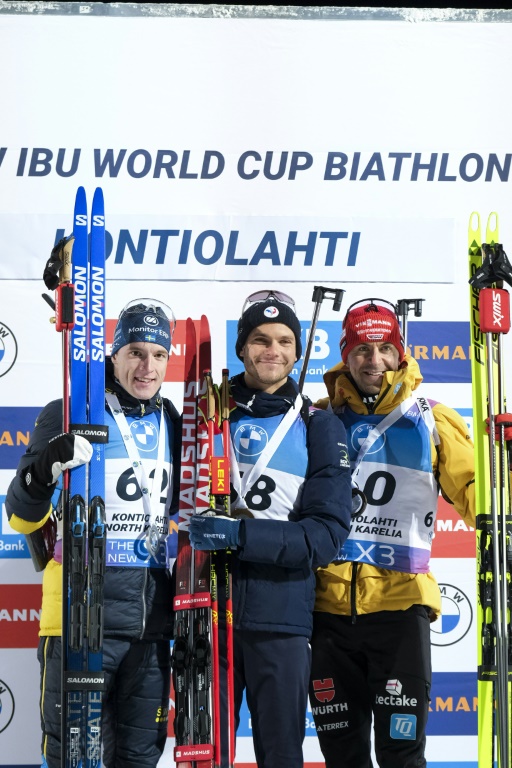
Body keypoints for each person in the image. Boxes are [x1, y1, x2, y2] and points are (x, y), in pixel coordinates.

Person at [5, 299, 181, 768]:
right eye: (136, 353)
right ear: (114, 353)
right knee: (70, 758)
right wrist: (44, 467)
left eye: (159, 355)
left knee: (141, 757)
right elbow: (20, 517)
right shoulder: (68, 412)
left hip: (149, 626)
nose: (147, 368)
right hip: (80, 620)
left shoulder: (175, 423)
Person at [188, 290, 353, 768]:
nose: (272, 350)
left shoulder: (319, 426)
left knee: (280, 756)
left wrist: (242, 536)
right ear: (242, 347)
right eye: (260, 340)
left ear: (298, 351)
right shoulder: (207, 413)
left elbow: (324, 537)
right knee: (205, 755)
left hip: (279, 617)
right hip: (205, 611)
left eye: (284, 341)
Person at [308, 298, 476, 768]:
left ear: (400, 353)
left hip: (400, 609)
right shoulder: (318, 418)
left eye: (385, 348)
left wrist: (495, 513)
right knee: (342, 757)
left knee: (402, 756)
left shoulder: (432, 418)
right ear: (347, 354)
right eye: (363, 349)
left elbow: (472, 490)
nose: (374, 361)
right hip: (328, 611)